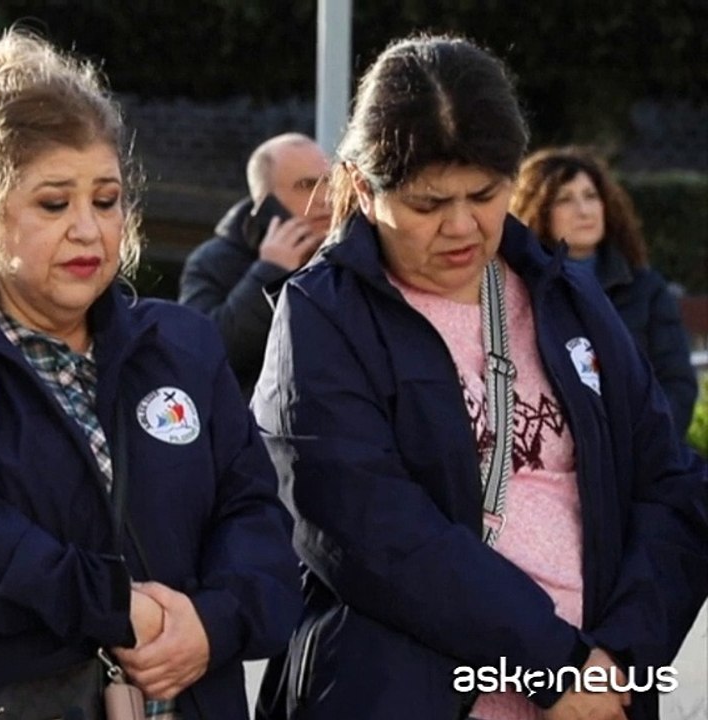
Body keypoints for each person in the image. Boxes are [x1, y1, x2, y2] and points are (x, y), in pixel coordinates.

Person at [0, 30, 302, 720]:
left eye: (107, 199)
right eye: (55, 204)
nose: (89, 230)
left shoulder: (180, 345)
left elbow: (255, 520)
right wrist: (119, 608)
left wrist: (211, 626)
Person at [251, 36, 708, 720]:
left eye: (485, 194)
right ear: (362, 186)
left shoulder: (566, 296)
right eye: (429, 203)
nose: (461, 227)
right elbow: (368, 530)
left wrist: (621, 662)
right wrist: (557, 670)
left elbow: (670, 485)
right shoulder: (324, 315)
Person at [511, 146, 697, 436]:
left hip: (643, 455)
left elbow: (677, 386)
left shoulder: (646, 290)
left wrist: (644, 446)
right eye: (565, 199)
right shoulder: (520, 293)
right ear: (539, 211)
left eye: (590, 196)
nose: (583, 210)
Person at [178, 133, 331, 395]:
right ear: (265, 203)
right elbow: (198, 355)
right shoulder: (212, 263)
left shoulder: (352, 256)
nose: (324, 198)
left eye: (329, 183)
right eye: (306, 185)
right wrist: (269, 273)